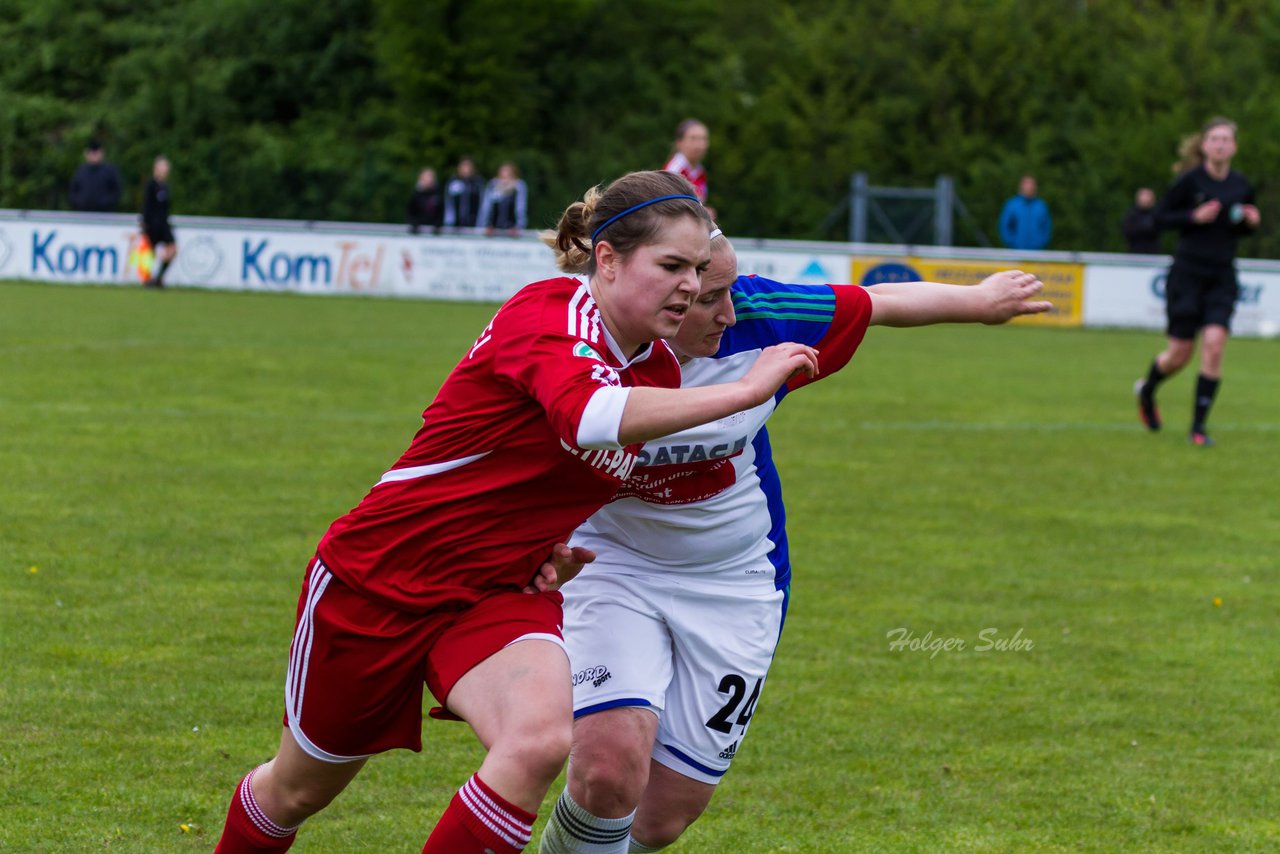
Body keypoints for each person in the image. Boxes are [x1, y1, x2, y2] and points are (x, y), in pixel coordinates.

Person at [211, 170, 822, 854]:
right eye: (673, 266)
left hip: (495, 592)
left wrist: (552, 545)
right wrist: (745, 391)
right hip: (380, 578)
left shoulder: (655, 374)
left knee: (538, 741)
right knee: (296, 790)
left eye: (698, 270)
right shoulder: (548, 312)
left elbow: (554, 474)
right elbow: (587, 415)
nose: (690, 285)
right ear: (609, 259)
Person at [537, 231, 1050, 854]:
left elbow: (877, 301)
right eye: (709, 297)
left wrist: (981, 300)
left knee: (662, 818)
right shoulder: (575, 338)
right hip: (612, 564)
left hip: (737, 583)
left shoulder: (762, 317)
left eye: (730, 290)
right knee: (607, 770)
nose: (729, 312)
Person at [1134, 117, 1260, 447]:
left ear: (1234, 146)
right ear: (1204, 145)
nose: (1220, 144)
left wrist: (1250, 222)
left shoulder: (1241, 184)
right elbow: (1158, 219)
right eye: (1214, 139)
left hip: (1222, 276)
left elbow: (1240, 227)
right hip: (1187, 274)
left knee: (1215, 345)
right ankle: (1147, 391)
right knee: (1179, 354)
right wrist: (1192, 216)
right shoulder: (1188, 182)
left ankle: (1198, 428)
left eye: (1225, 140)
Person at [663, 120, 713, 220]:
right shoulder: (673, 170)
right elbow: (670, 208)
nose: (699, 145)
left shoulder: (700, 171)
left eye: (703, 139)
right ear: (679, 143)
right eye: (693, 138)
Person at [140, 156, 177, 288]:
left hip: (164, 224)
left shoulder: (166, 187)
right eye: (162, 166)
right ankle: (147, 280)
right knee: (150, 252)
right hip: (152, 224)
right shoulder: (151, 185)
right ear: (156, 168)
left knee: (172, 249)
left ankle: (159, 278)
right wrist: (144, 223)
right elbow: (146, 205)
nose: (165, 170)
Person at [998, 174, 1052, 251]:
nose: (1029, 187)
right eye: (1027, 185)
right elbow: (1004, 226)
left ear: (1035, 187)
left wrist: (1041, 243)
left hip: (1037, 251)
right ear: (1021, 186)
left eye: (1031, 185)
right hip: (1016, 251)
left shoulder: (1041, 206)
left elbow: (1047, 227)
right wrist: (1011, 243)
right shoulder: (1012, 205)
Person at [69, 139, 123, 213]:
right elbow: (73, 191)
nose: (94, 156)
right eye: (91, 153)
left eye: (96, 153)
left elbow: (117, 192)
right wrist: (80, 202)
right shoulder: (80, 170)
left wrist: (105, 203)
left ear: (102, 153)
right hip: (83, 213)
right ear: (86, 154)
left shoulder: (110, 170)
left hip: (105, 214)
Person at [478, 161, 529, 235]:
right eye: (503, 172)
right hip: (493, 230)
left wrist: (519, 226)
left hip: (512, 231)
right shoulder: (493, 186)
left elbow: (520, 208)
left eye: (508, 173)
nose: (505, 175)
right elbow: (486, 208)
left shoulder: (518, 187)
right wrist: (484, 225)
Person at [444, 156, 486, 229]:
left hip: (474, 224)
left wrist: (481, 223)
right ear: (459, 167)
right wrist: (448, 222)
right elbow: (448, 203)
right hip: (454, 224)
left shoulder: (478, 182)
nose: (466, 168)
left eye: (468, 166)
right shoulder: (453, 181)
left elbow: (483, 204)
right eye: (464, 165)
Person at [1121, 187, 1162, 254]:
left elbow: (1158, 230)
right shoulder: (1131, 214)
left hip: (1153, 253)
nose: (1145, 200)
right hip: (1134, 253)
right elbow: (1127, 231)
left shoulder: (1156, 214)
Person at [408, 168, 444, 234]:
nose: (428, 179)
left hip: (434, 231)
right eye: (426, 177)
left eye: (430, 177)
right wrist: (414, 224)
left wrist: (438, 225)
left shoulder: (438, 193)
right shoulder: (416, 194)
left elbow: (441, 212)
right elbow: (411, 212)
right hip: (418, 230)